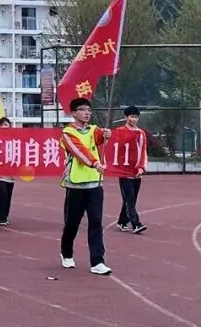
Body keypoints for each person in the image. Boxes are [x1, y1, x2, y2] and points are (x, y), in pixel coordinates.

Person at [59, 97, 113, 276]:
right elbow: (79, 150)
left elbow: (99, 137)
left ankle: (97, 261)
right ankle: (66, 253)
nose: (87, 113)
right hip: (75, 184)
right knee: (72, 223)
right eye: (82, 110)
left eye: (88, 110)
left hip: (94, 183)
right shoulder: (68, 132)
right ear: (73, 113)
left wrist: (106, 134)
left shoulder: (94, 129)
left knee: (96, 222)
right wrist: (95, 163)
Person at [116, 106, 149, 234]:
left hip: (137, 171)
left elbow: (143, 151)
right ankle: (136, 224)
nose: (134, 120)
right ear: (126, 117)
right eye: (131, 117)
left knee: (131, 199)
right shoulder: (119, 131)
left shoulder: (141, 133)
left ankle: (122, 221)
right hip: (124, 171)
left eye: (136, 117)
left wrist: (142, 167)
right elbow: (114, 149)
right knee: (129, 198)